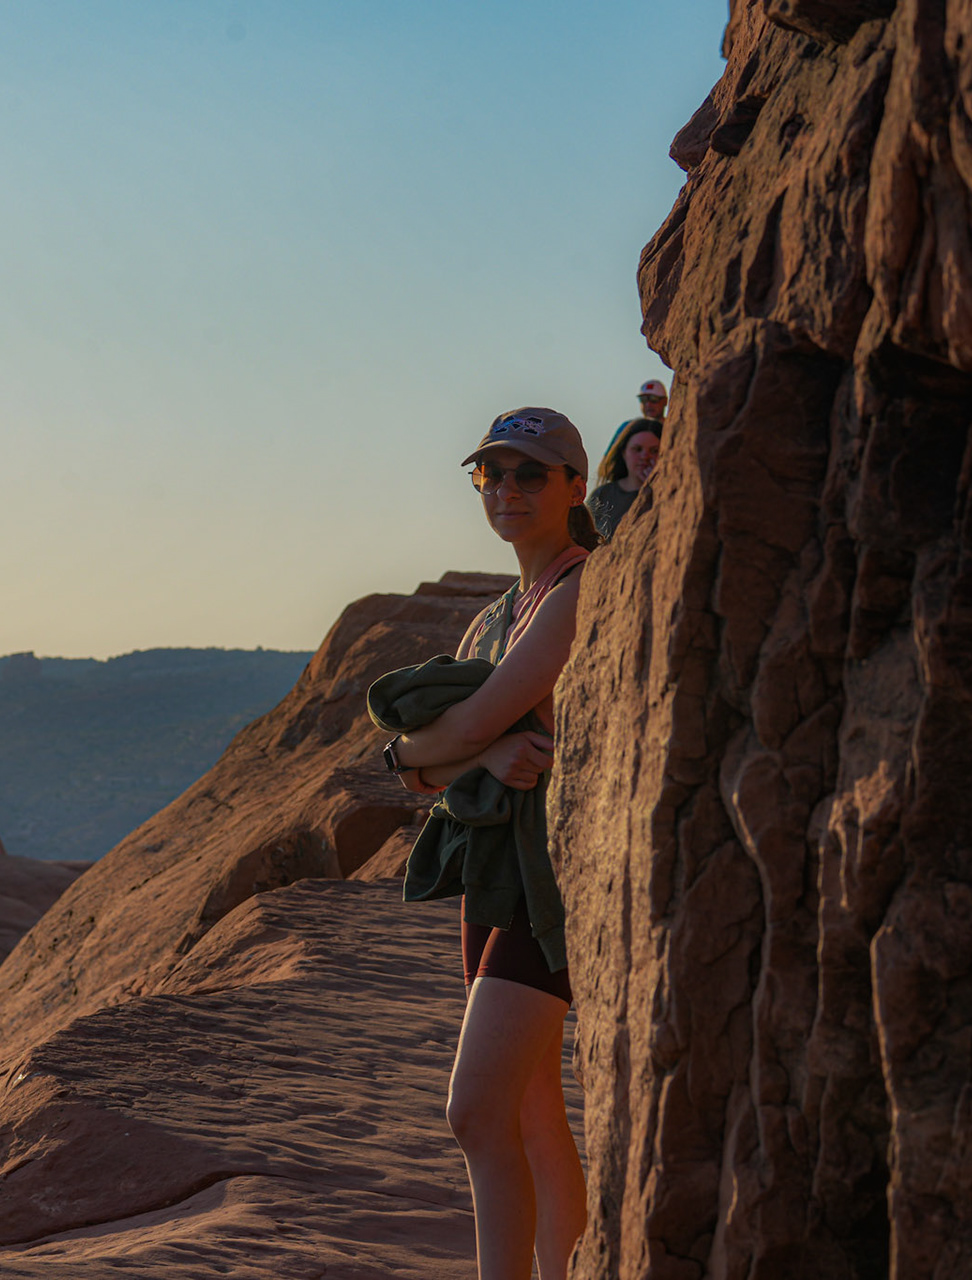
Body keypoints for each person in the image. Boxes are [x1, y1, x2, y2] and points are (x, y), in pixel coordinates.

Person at [380, 407, 594, 1279]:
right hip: (495, 876)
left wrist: (440, 748)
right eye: (490, 474)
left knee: (473, 1112)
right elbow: (420, 773)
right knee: (533, 1111)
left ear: (576, 486)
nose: (506, 488)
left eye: (529, 473)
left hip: (552, 879)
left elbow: (457, 729)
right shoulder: (496, 617)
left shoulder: (580, 589)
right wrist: (465, 755)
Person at [585, 415, 663, 537]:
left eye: (654, 451)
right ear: (624, 452)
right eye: (637, 449)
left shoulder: (667, 493)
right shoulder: (602, 495)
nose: (645, 456)